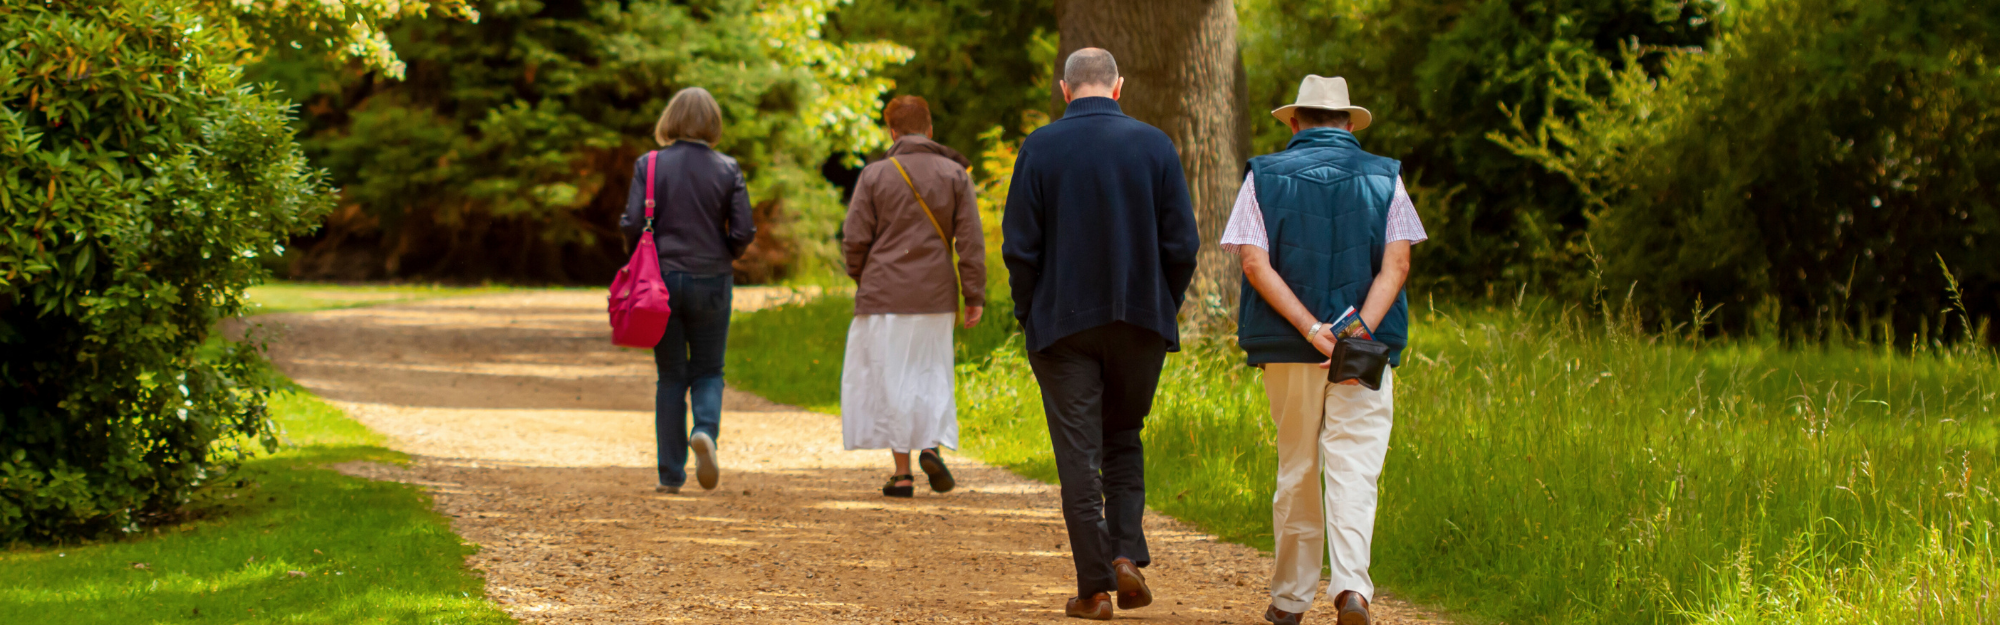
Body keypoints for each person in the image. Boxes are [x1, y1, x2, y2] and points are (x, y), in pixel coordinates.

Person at [1002, 48, 1201, 621]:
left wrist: (1028, 314)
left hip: (1062, 325)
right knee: (1123, 436)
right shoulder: (1155, 145)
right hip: (1140, 320)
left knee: (1078, 455)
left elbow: (1020, 248)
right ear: (1119, 87)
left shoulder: (1039, 147)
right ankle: (1123, 555)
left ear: (1065, 90)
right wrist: (1163, 304)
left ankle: (1093, 589)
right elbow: (1182, 247)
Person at [1222, 75, 1425, 625]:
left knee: (1297, 466)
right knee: (1355, 465)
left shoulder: (1261, 176)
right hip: (1365, 350)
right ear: (1349, 124)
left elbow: (1253, 263)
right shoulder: (1387, 177)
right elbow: (1398, 265)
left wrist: (1314, 330)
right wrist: (1354, 335)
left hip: (1291, 348)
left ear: (1294, 121)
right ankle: (1352, 589)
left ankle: (1289, 600)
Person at [839, 95, 987, 498]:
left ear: (892, 131)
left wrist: (863, 278)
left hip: (884, 293)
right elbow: (970, 242)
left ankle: (902, 474)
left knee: (890, 378)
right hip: (936, 296)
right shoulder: (956, 174)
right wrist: (973, 292)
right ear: (930, 129)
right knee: (930, 371)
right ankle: (930, 447)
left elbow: (854, 240)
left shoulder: (874, 175)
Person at [619, 87, 756, 495]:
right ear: (713, 124)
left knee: (671, 376)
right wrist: (726, 252)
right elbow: (745, 229)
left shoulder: (651, 163)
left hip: (660, 280)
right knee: (710, 369)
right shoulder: (727, 167)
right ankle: (706, 432)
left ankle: (669, 474)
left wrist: (638, 258)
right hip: (713, 277)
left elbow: (630, 222)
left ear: (670, 120)